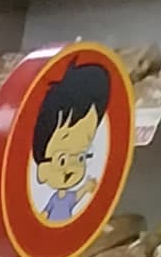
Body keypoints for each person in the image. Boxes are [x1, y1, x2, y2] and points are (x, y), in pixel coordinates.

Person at [31, 62, 111, 225]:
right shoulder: (52, 198)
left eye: (81, 157)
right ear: (42, 169)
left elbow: (77, 197)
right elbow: (44, 213)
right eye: (62, 159)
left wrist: (87, 187)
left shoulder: (69, 197)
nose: (72, 167)